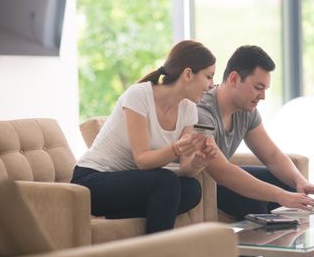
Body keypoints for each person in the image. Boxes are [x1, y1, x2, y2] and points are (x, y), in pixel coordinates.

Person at [198, 45, 314, 257]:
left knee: (283, 183)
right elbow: (221, 171)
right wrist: (278, 196)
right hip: (203, 182)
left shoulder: (247, 110)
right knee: (256, 197)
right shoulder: (202, 111)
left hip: (222, 178)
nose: (262, 96)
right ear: (234, 78)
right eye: (258, 87)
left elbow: (271, 154)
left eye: (265, 89)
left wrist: (300, 182)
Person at [71, 40, 217, 234]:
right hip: (92, 181)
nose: (212, 85)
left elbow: (186, 169)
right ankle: (156, 255)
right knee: (166, 181)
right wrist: (175, 148)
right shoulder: (139, 95)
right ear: (188, 74)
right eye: (209, 76)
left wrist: (199, 161)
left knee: (191, 190)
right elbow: (142, 160)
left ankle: (116, 216)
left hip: (132, 185)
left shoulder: (189, 109)